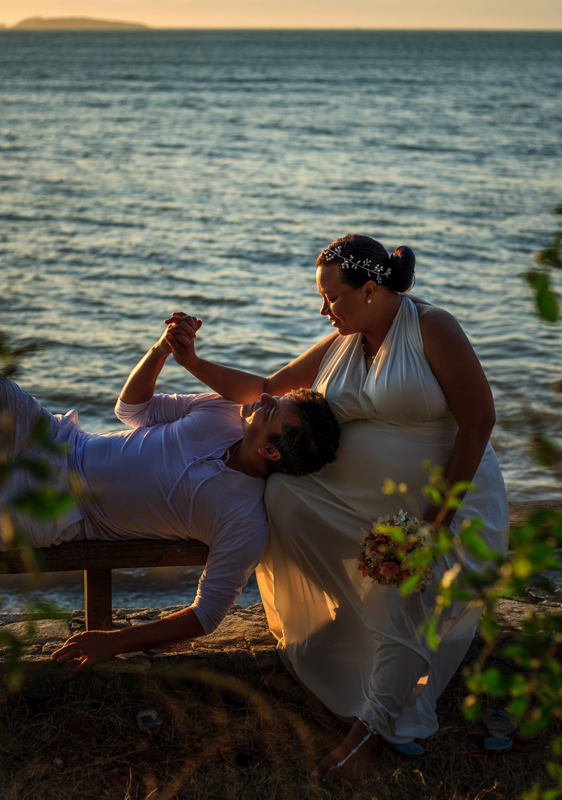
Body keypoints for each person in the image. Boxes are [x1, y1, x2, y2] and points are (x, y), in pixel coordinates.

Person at [164, 234, 509, 782]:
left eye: (332, 297)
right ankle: (351, 624)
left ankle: (366, 733)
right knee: (282, 494)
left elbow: (479, 421)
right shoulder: (343, 343)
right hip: (359, 500)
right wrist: (192, 361)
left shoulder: (432, 328)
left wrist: (432, 527)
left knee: (405, 585)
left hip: (446, 504)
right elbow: (265, 388)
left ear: (371, 290)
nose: (322, 309)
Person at [0, 316, 341, 669]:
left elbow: (206, 615)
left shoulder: (243, 518)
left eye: (274, 410)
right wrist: (161, 351)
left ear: (272, 452)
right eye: (274, 398)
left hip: (63, 508)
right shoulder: (221, 412)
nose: (263, 398)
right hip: (59, 441)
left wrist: (116, 641)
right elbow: (131, 408)